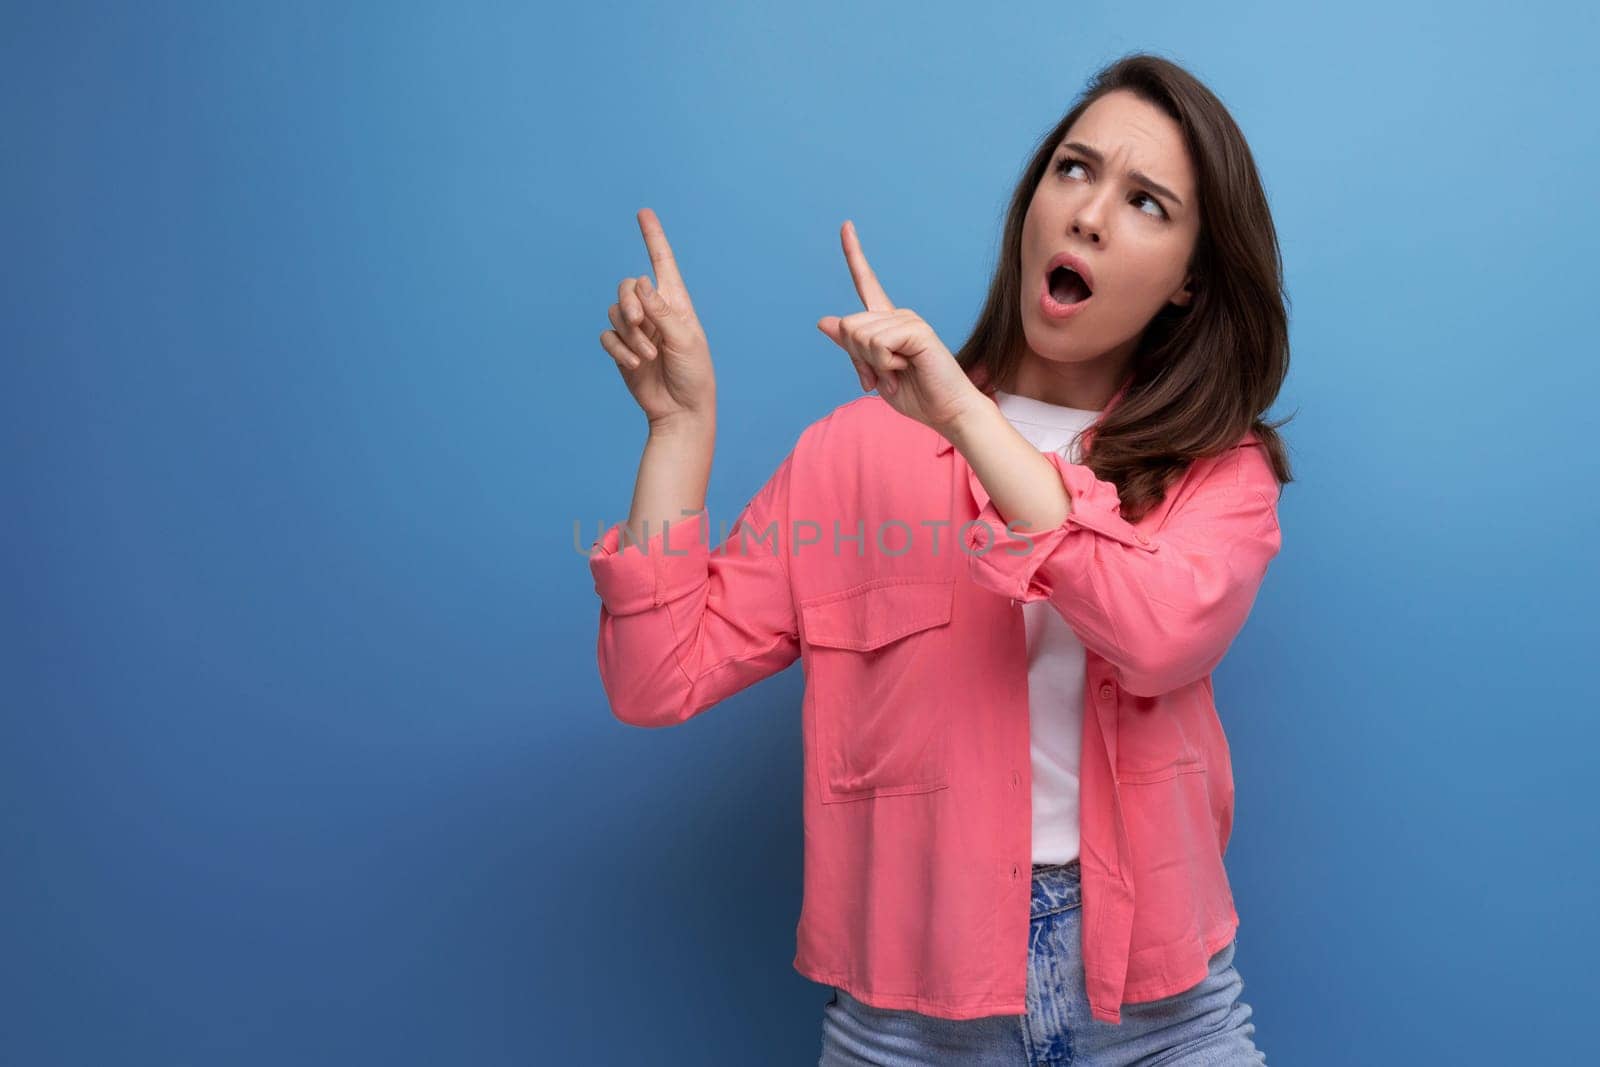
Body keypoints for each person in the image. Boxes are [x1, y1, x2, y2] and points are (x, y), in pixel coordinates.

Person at [590, 52, 1291, 1066]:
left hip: (1160, 1013)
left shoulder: (1220, 469)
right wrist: (677, 429)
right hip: (910, 1021)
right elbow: (657, 676)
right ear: (1032, 203)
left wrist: (964, 416)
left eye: (1146, 201)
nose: (1090, 214)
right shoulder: (850, 452)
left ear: (1189, 280)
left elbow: (1153, 635)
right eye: (1074, 170)